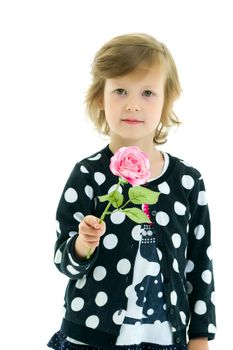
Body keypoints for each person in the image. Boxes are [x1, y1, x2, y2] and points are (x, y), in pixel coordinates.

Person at [48, 33, 216, 350]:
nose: (134, 104)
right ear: (100, 96)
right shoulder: (87, 175)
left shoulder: (188, 182)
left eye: (148, 92)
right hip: (91, 336)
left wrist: (199, 337)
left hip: (165, 338)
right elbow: (63, 261)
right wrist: (83, 244)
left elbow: (199, 265)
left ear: (169, 98)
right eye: (120, 91)